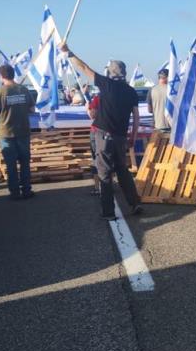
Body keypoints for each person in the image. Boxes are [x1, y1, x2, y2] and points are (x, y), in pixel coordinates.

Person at [60, 43, 142, 220]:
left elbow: (83, 68)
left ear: (110, 73)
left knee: (104, 173)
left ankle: (108, 212)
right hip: (121, 136)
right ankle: (134, 203)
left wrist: (69, 52)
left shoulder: (106, 85)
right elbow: (136, 117)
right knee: (123, 171)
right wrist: (133, 138)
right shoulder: (131, 92)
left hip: (103, 134)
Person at [0, 65, 36, 200]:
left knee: (11, 165)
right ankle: (27, 190)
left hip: (6, 132)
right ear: (13, 74)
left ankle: (14, 193)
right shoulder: (24, 89)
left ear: (1, 76)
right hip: (23, 131)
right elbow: (32, 109)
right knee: (25, 162)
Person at [147, 68, 170, 133]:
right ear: (168, 77)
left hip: (158, 126)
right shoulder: (174, 91)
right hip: (172, 126)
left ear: (159, 77)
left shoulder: (151, 90)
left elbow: (149, 110)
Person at [87, 93, 101, 196]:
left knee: (96, 159)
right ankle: (109, 184)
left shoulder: (99, 97)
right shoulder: (122, 95)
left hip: (97, 131)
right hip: (114, 132)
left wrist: (88, 109)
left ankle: (98, 187)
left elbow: (92, 115)